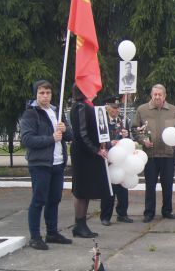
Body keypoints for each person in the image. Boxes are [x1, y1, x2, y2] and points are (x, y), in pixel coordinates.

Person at [20, 80, 73, 250]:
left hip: (57, 163)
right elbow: (27, 139)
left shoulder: (56, 111)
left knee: (54, 199)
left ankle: (52, 232)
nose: (45, 96)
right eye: (41, 93)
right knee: (38, 200)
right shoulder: (31, 114)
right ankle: (35, 237)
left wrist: (65, 130)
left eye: (48, 93)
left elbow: (70, 136)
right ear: (36, 94)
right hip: (40, 164)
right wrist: (51, 138)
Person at [133, 84, 175, 223]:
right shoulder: (142, 110)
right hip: (150, 155)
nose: (157, 97)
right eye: (155, 94)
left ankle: (167, 211)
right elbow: (135, 129)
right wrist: (143, 141)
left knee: (168, 185)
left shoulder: (174, 110)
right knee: (150, 185)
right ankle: (149, 212)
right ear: (151, 95)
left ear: (165, 96)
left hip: (168, 154)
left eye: (160, 94)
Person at [70, 84, 111, 237]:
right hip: (84, 154)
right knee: (82, 190)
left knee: (85, 190)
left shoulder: (88, 106)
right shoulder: (81, 106)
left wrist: (102, 143)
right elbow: (81, 134)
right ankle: (79, 224)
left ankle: (81, 223)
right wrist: (96, 150)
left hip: (88, 152)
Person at [100, 96, 132, 225]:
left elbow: (129, 138)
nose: (116, 110)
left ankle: (122, 213)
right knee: (109, 189)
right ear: (107, 107)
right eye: (114, 108)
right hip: (108, 157)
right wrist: (109, 143)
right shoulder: (102, 121)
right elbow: (100, 138)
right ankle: (105, 216)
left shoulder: (123, 120)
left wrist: (126, 135)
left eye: (118, 108)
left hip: (121, 158)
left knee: (123, 188)